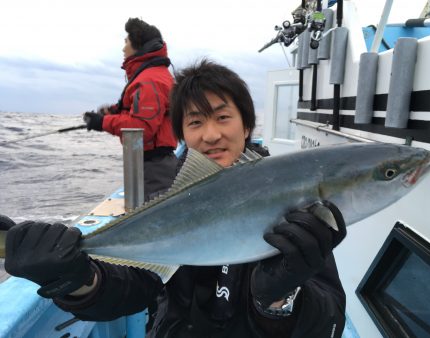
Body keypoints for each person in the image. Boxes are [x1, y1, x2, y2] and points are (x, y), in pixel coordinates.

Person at [4, 60, 347, 338]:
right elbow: (133, 286)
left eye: (223, 117)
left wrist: (279, 297)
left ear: (247, 127)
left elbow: (328, 324)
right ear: (182, 134)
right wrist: (77, 278)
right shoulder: (165, 200)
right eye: (195, 122)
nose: (211, 135)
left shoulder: (290, 197)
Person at [83, 18, 178, 200]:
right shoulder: (151, 75)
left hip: (155, 168)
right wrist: (113, 111)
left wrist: (102, 122)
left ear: (138, 46)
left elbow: (142, 128)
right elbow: (139, 112)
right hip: (151, 164)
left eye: (126, 42)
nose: (123, 48)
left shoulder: (150, 80)